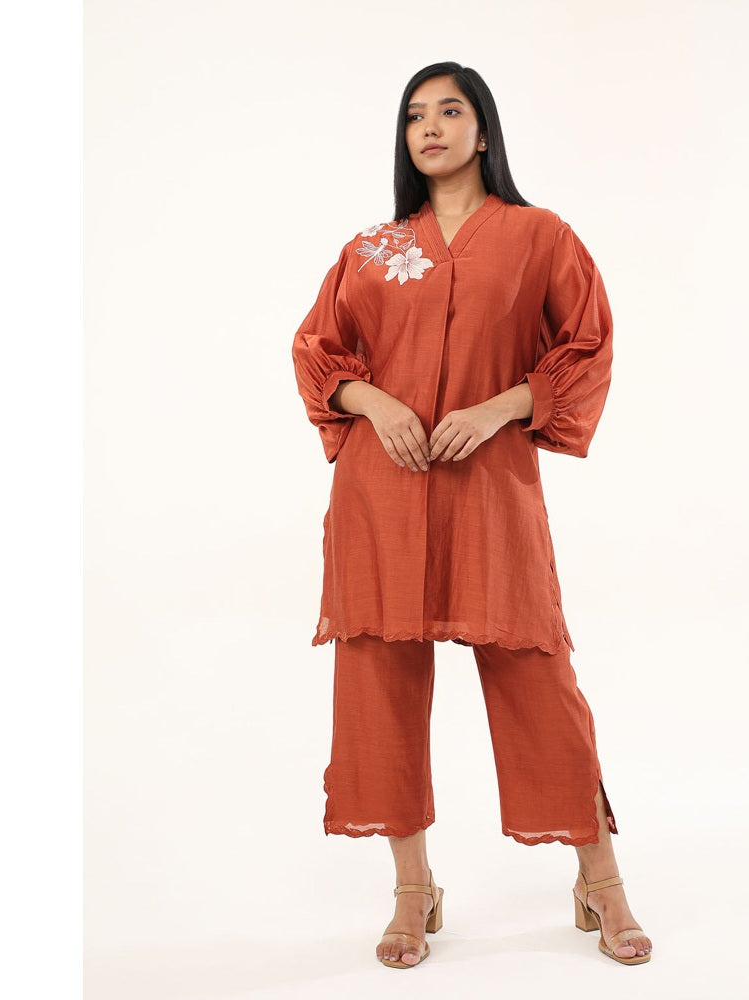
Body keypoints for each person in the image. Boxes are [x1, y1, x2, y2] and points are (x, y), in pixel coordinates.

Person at [291, 61, 652, 970]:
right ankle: (413, 891)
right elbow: (317, 349)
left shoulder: (540, 236)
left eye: (450, 111)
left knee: (538, 677)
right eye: (416, 115)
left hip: (490, 488)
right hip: (381, 491)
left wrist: (499, 408)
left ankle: (601, 880)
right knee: (378, 686)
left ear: (483, 130)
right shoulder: (372, 248)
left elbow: (588, 345)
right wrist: (374, 401)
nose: (431, 127)